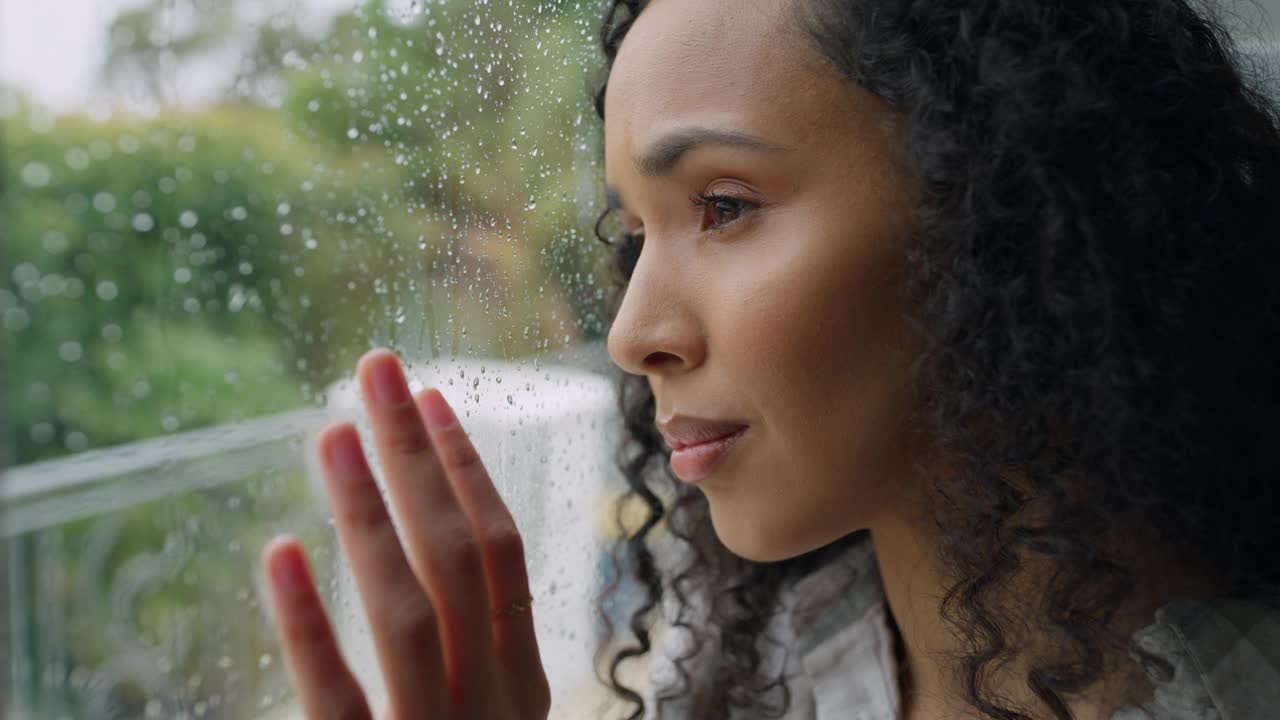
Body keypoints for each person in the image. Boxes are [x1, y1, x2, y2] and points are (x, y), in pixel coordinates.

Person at [259, 0, 1280, 718]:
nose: (629, 333)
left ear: (1006, 214)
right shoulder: (775, 656)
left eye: (724, 206)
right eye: (633, 235)